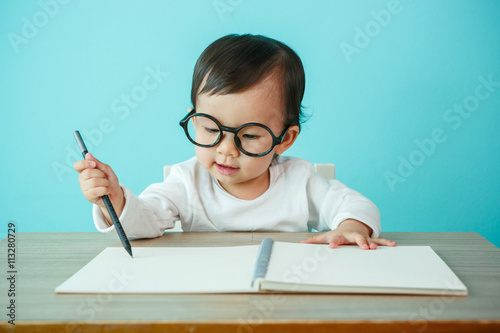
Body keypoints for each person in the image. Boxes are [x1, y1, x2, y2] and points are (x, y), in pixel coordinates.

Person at [74, 33, 396, 250]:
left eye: (249, 135)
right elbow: (143, 221)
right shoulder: (186, 183)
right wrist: (115, 200)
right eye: (211, 129)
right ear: (195, 118)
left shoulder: (300, 182)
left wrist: (349, 226)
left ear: (285, 139)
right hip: (210, 305)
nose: (226, 149)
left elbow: (357, 206)